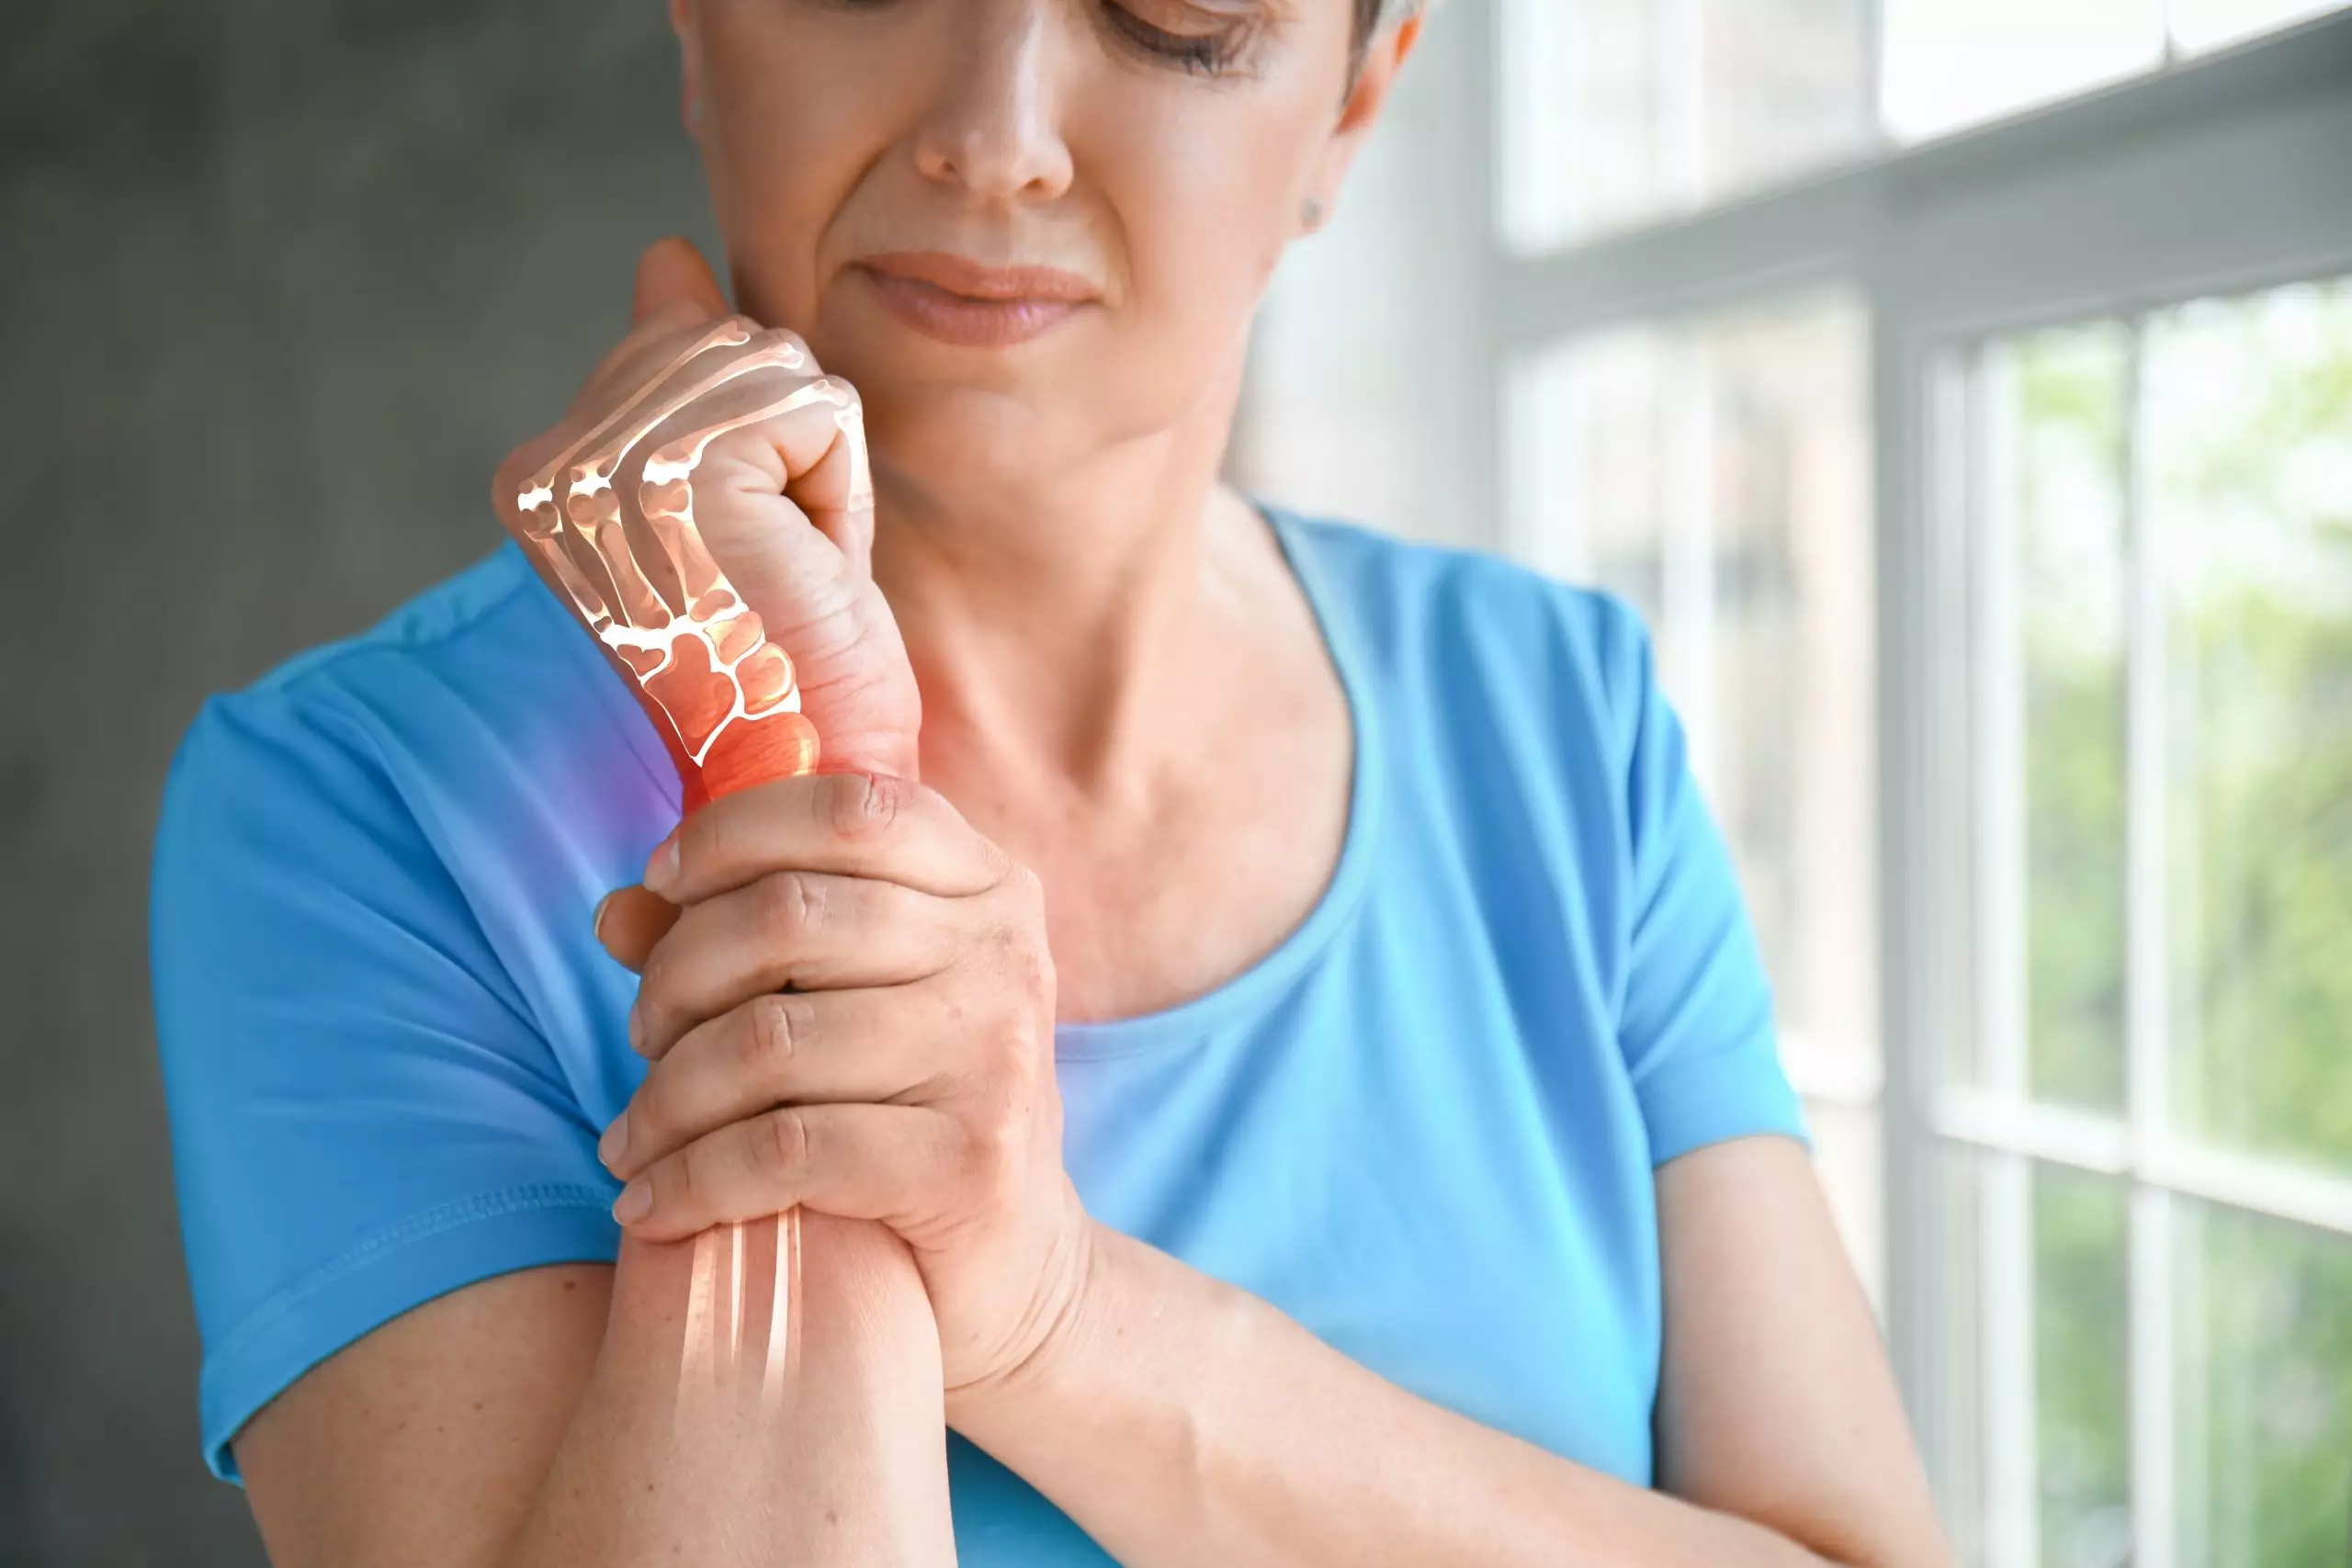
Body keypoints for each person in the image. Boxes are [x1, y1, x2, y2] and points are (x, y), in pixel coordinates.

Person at [148, 0, 1955, 1562]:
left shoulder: (1563, 720)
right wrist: (784, 758)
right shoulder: (354, 815)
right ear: (698, 26)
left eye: (1170, 9)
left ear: (1351, 96)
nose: (990, 137)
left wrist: (1057, 1320)